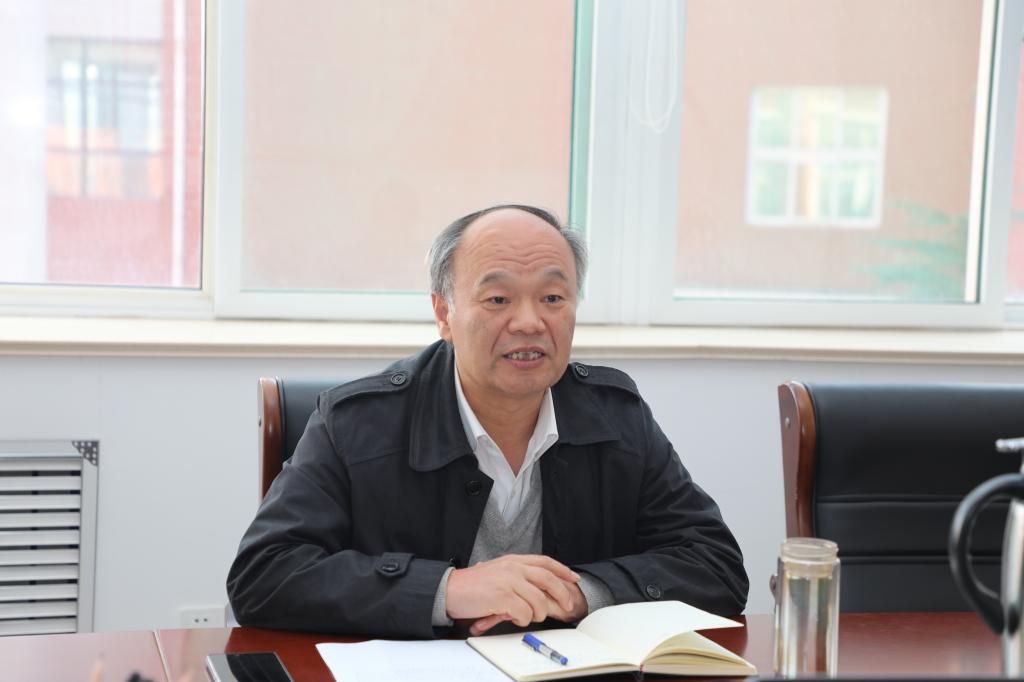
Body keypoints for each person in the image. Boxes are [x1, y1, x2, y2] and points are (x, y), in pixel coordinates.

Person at [227, 204, 748, 638]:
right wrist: (447, 590)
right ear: (444, 314)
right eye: (498, 299)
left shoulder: (615, 415)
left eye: (553, 298)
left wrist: (581, 593)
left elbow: (715, 564)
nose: (529, 322)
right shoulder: (356, 424)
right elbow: (263, 576)